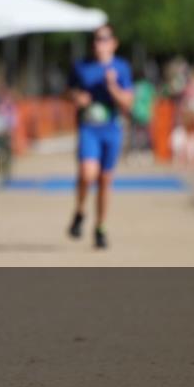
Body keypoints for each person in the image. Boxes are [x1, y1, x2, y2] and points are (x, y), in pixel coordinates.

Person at [65, 24, 134, 248]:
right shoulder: (82, 66)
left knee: (105, 180)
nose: (99, 43)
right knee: (87, 174)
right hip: (89, 129)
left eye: (104, 39)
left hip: (111, 130)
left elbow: (128, 103)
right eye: (96, 39)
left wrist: (112, 85)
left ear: (113, 43)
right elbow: (68, 91)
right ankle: (80, 211)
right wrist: (76, 97)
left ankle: (100, 227)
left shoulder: (121, 68)